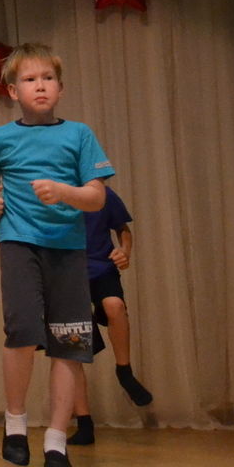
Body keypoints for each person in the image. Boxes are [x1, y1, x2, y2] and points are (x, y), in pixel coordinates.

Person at [0, 43, 113, 467]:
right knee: (21, 331)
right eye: (30, 79)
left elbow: (97, 197)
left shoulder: (79, 135)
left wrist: (65, 192)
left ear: (61, 88)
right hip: (19, 242)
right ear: (13, 91)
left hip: (68, 249)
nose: (40, 86)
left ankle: (56, 439)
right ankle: (15, 424)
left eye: (48, 79)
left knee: (69, 340)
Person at [72, 185, 153, 445]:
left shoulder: (102, 193)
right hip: (67, 274)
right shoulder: (51, 192)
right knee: (73, 348)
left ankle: (124, 371)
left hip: (101, 268)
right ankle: (84, 423)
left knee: (115, 306)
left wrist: (124, 251)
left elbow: (123, 229)